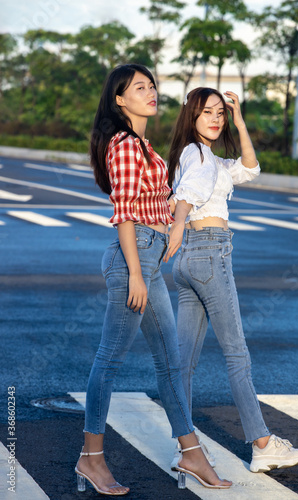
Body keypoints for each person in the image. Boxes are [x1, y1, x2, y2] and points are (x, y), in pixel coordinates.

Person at [75, 66, 232, 496]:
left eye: (153, 86)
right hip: (134, 263)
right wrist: (138, 274)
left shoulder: (143, 146)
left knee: (170, 362)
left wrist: (171, 231)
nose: (151, 93)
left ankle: (191, 453)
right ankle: (91, 458)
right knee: (109, 360)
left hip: (148, 259)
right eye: (139, 88)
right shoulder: (125, 144)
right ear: (120, 100)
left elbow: (155, 206)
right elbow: (126, 212)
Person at [164, 87, 298, 473]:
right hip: (210, 253)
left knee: (183, 364)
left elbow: (250, 168)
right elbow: (189, 193)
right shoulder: (199, 156)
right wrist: (177, 224)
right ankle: (262, 444)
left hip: (188, 263)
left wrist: (241, 121)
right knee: (236, 355)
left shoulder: (198, 155)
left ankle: (185, 448)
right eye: (207, 112)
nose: (216, 118)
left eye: (221, 113)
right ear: (191, 117)